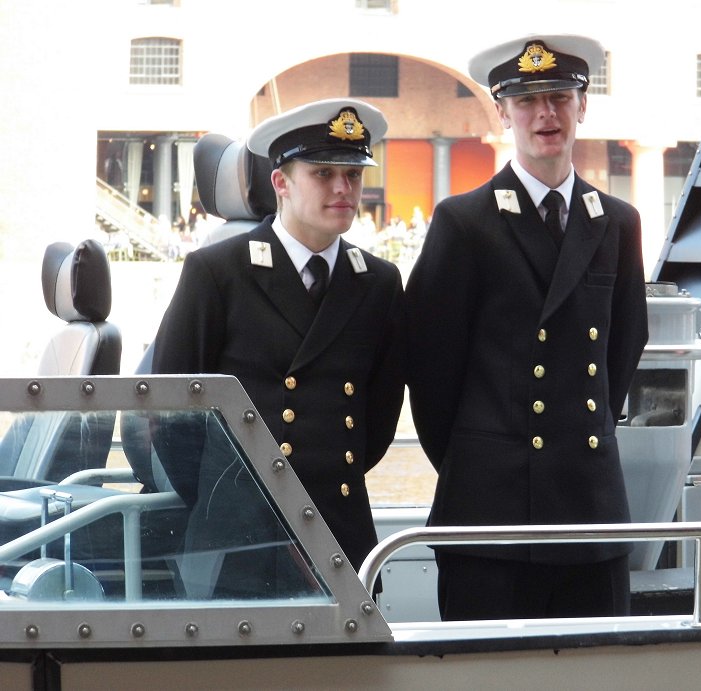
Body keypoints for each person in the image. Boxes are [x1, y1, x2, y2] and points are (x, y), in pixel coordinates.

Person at [405, 34, 648, 620]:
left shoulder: (616, 222)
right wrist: (485, 457)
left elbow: (622, 350)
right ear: (503, 112)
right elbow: (430, 370)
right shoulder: (464, 223)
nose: (547, 113)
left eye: (561, 96)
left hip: (589, 512)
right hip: (493, 520)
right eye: (529, 99)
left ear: (582, 106)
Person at [151, 98, 406, 596]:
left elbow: (378, 417)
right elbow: (169, 414)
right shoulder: (219, 272)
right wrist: (230, 497)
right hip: (241, 539)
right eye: (324, 173)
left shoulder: (377, 281)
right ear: (281, 183)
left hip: (339, 531)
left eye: (353, 175)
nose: (342, 188)